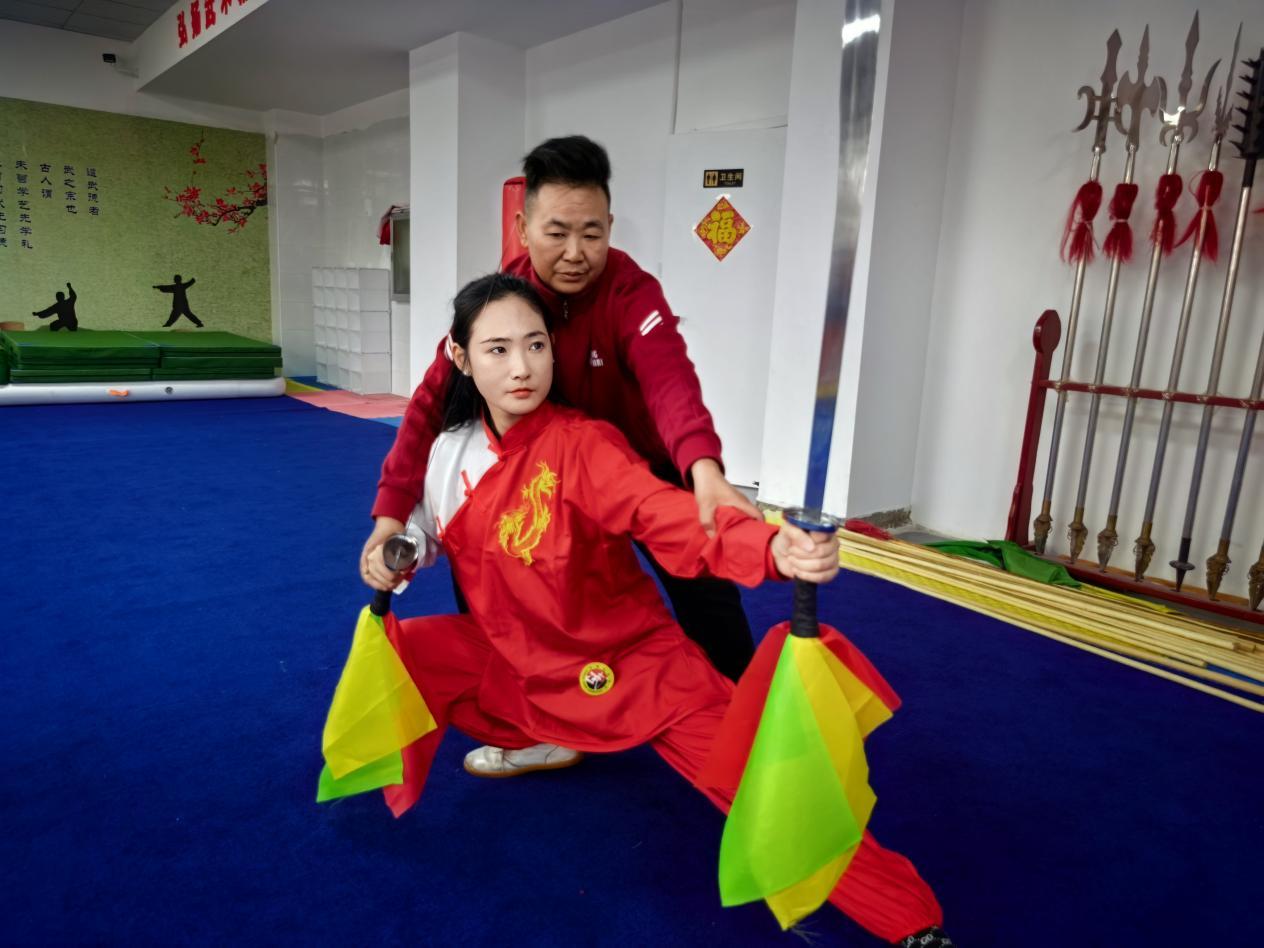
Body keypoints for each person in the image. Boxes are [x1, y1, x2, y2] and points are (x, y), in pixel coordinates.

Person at [359, 273, 950, 947]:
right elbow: (425, 533)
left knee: (765, 782)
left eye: (536, 345)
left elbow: (660, 511)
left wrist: (766, 547)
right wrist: (396, 552)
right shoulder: (449, 452)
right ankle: (520, 743)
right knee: (403, 655)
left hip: (630, 664)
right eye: (498, 350)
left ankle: (911, 924)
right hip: (521, 667)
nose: (522, 367)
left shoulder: (584, 444)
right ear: (461, 359)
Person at [365, 136, 760, 776]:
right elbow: (427, 407)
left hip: (642, 469)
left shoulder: (633, 293)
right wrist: (390, 516)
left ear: (610, 227)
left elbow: (670, 381)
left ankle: (753, 730)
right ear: (523, 228)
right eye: (556, 233)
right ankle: (538, 729)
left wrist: (704, 471)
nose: (576, 253)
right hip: (543, 467)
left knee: (707, 596)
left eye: (592, 233)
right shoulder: (504, 302)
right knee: (491, 582)